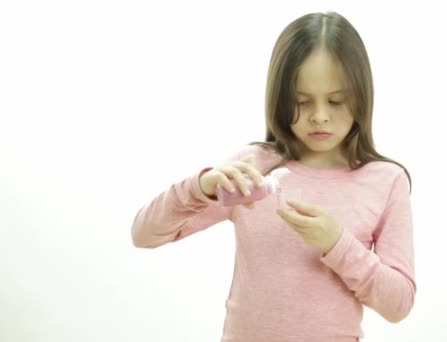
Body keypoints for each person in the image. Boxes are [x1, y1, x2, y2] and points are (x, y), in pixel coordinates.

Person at [131, 11, 416, 342]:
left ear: (362, 97)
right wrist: (200, 186)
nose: (320, 116)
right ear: (280, 100)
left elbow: (399, 304)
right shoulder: (255, 168)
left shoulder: (385, 181)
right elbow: (144, 234)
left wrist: (337, 244)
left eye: (336, 101)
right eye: (302, 101)